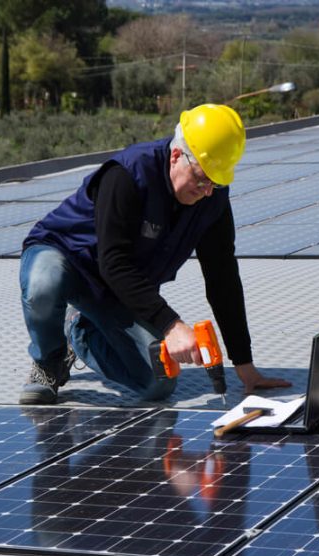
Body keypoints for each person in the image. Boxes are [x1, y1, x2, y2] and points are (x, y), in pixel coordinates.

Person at [19, 103, 291, 404]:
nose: (206, 190)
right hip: (68, 258)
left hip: (117, 288)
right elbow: (114, 263)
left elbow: (222, 277)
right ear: (177, 156)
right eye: (201, 179)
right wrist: (172, 326)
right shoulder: (129, 174)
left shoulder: (211, 198)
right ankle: (48, 363)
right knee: (44, 284)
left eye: (216, 182)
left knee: (158, 383)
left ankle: (80, 334)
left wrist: (244, 364)